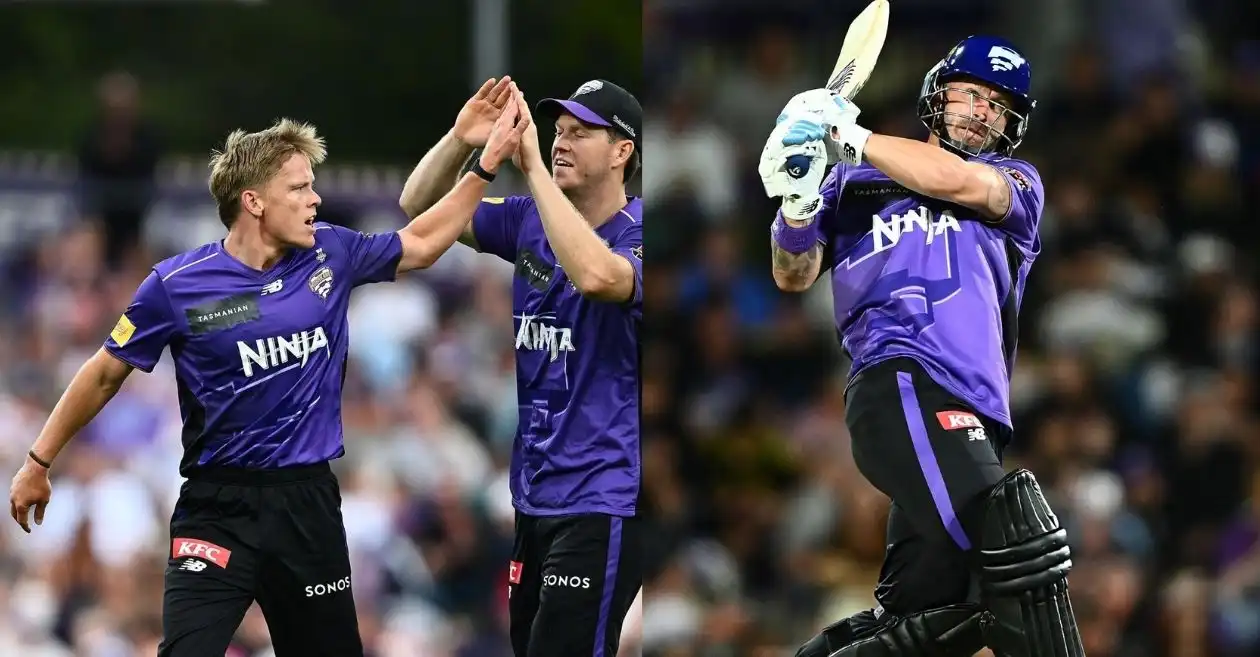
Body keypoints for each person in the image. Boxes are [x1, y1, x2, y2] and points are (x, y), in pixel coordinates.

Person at [8, 80, 529, 657]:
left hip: (306, 504)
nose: (315, 200)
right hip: (217, 508)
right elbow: (105, 371)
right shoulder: (176, 286)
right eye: (300, 187)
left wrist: (479, 165)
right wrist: (38, 460)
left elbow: (425, 241)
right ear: (254, 201)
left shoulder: (332, 251)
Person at [757, 36, 1086, 657]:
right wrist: (797, 207)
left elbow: (950, 178)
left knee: (943, 615)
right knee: (1015, 550)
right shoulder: (852, 184)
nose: (982, 111)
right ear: (937, 94)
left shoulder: (1014, 182)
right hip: (904, 379)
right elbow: (792, 274)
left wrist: (846, 132)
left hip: (977, 411)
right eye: (970, 92)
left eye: (998, 105)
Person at [399, 78, 643, 657]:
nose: (559, 143)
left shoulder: (640, 236)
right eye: (556, 132)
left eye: (579, 134)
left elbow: (599, 276)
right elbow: (419, 208)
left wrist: (531, 166)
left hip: (603, 494)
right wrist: (461, 140)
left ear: (622, 151)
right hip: (533, 493)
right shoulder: (525, 222)